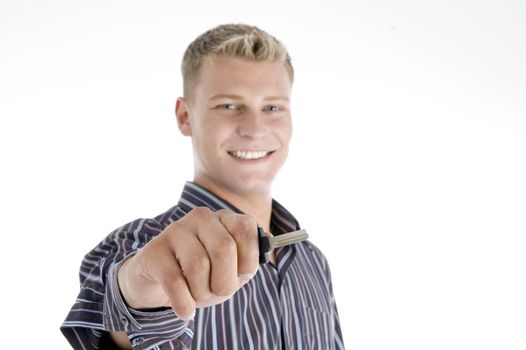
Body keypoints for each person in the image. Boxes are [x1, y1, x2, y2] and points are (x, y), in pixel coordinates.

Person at [61, 23, 345, 349]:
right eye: (228, 105)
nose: (254, 129)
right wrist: (140, 287)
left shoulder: (312, 260)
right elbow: (121, 304)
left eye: (272, 107)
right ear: (185, 116)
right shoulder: (141, 242)